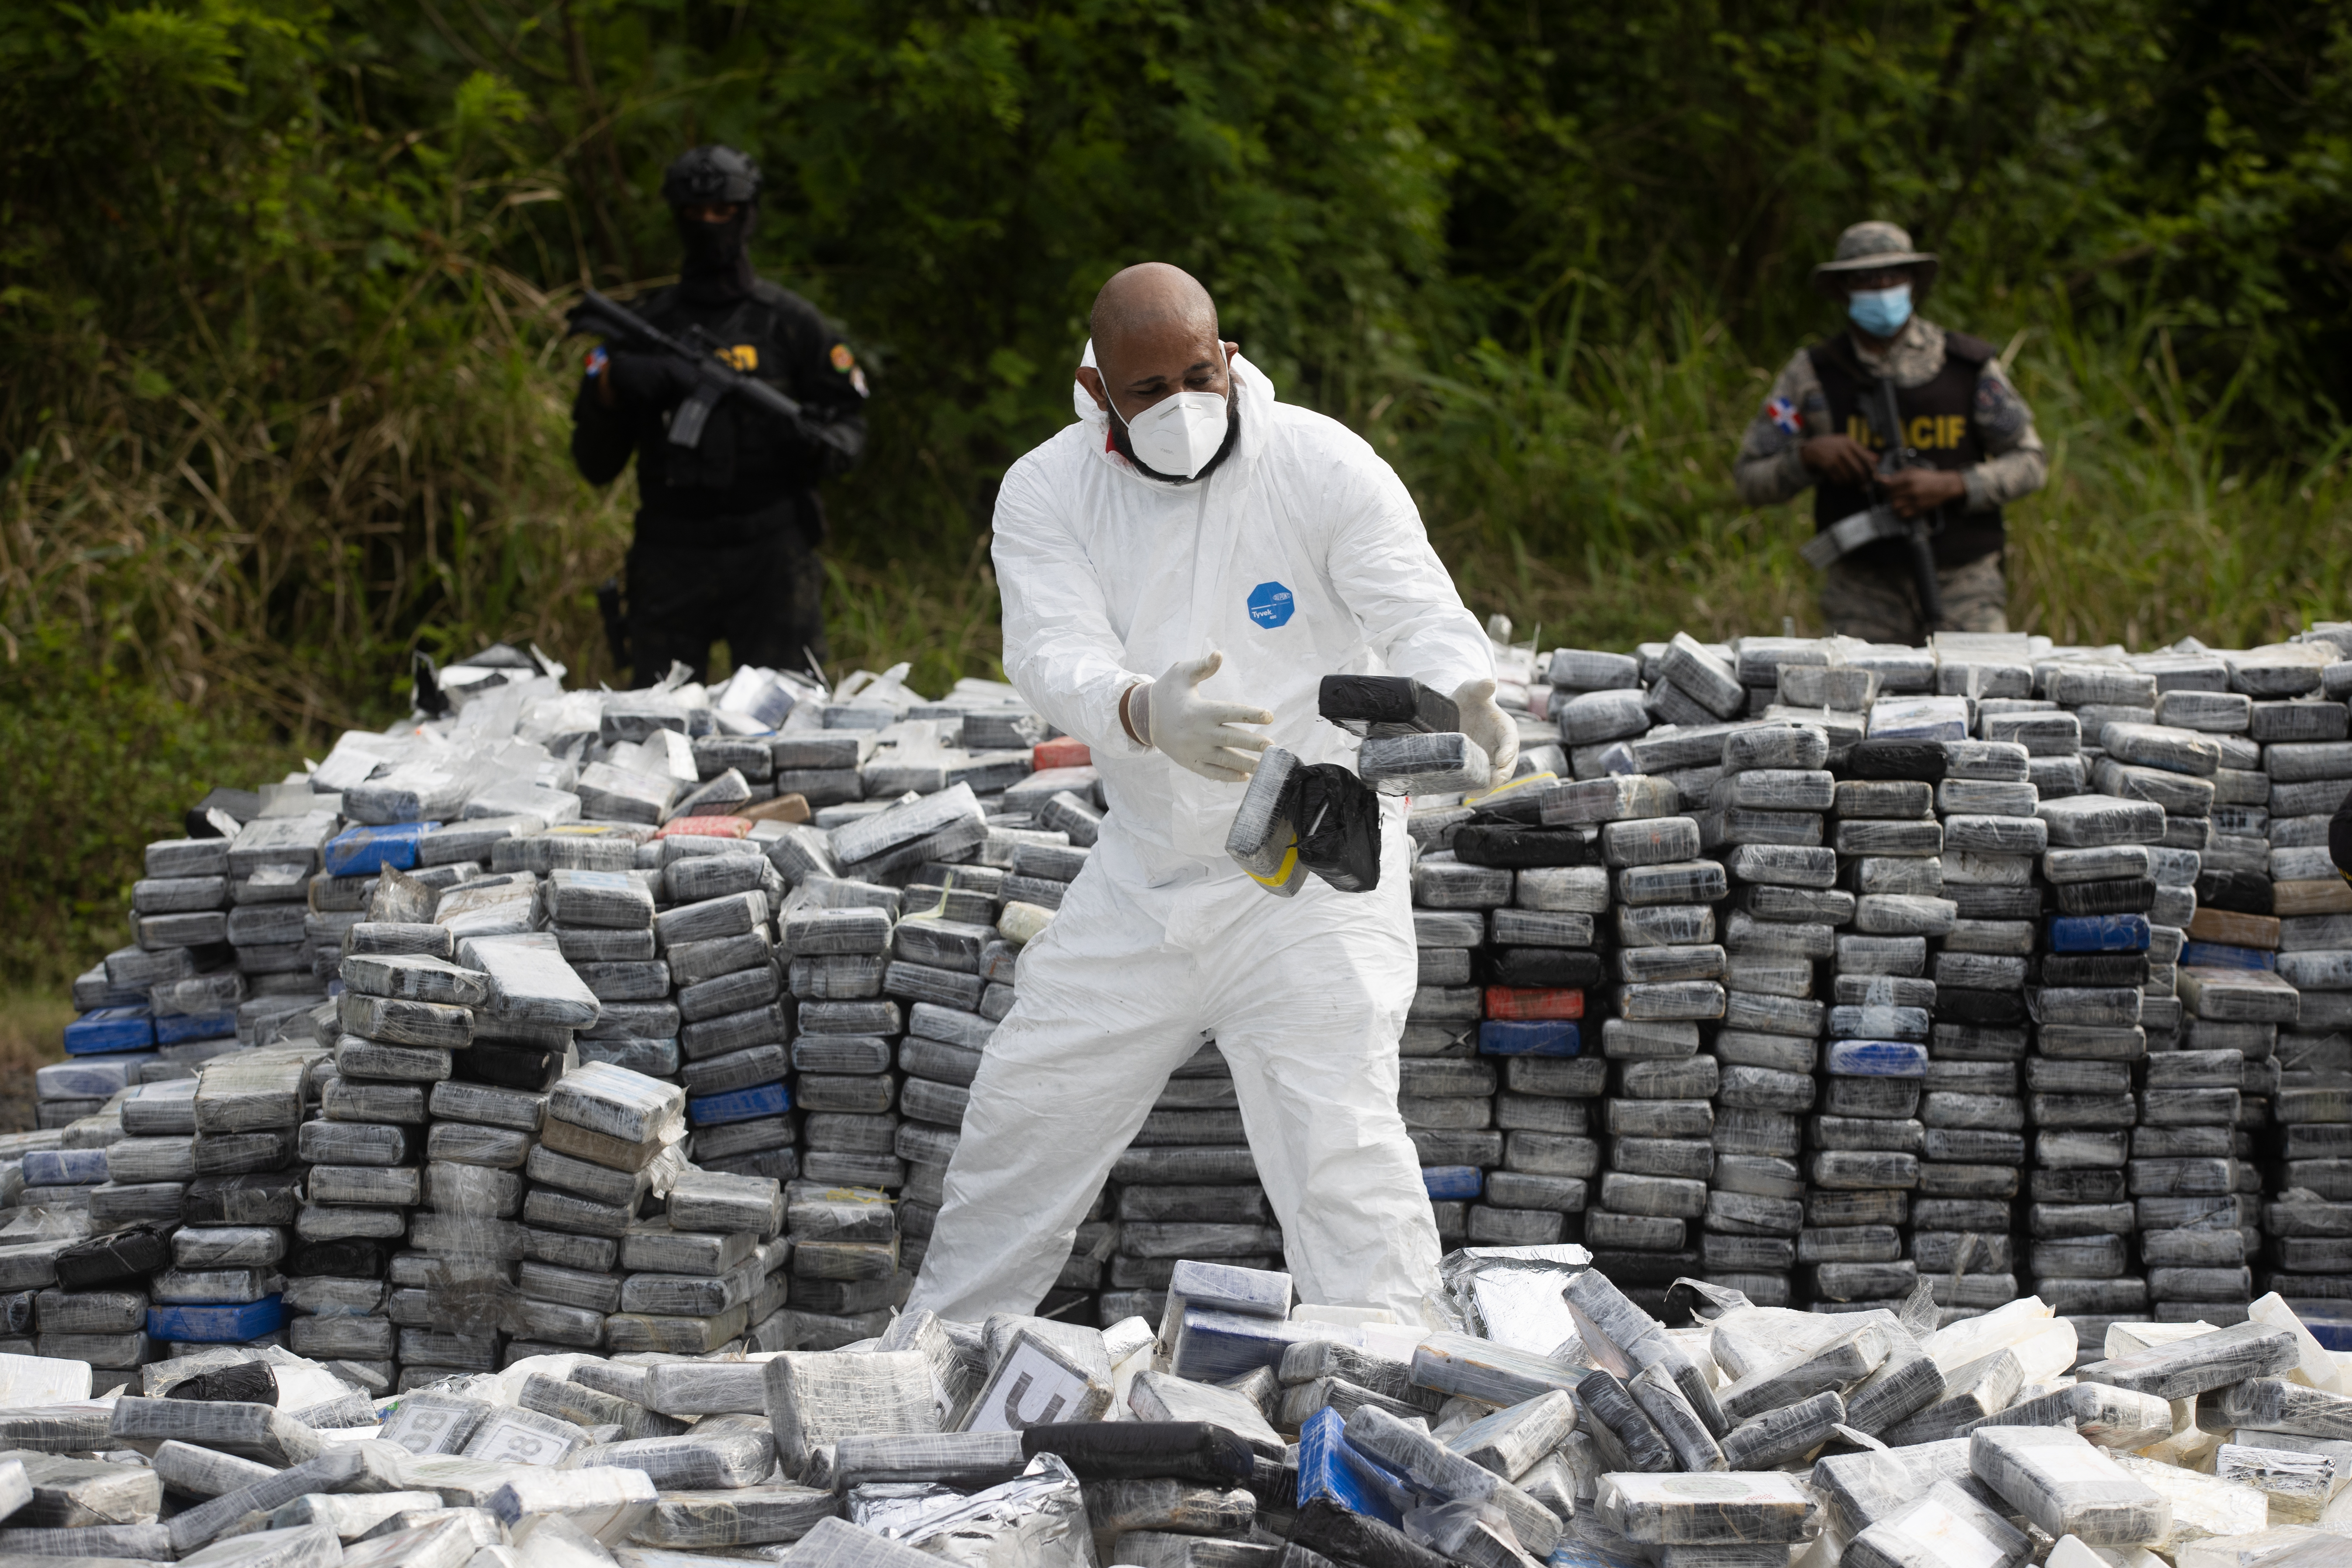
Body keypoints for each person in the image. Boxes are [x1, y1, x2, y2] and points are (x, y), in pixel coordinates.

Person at [905, 262, 1517, 1321]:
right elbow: (1051, 653)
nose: (1182, 408)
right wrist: (1144, 711)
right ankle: (932, 1366)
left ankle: (1385, 1402)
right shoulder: (1049, 489)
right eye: (1149, 391)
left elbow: (1414, 601)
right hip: (1142, 877)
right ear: (1098, 392)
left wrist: (1464, 695)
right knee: (1022, 1120)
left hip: (1311, 880)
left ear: (1228, 358)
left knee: (1344, 1155)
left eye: (1200, 375)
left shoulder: (1318, 461)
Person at [570, 145, 867, 686]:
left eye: (723, 212)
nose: (709, 226)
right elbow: (594, 464)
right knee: (659, 730)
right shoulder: (643, 328)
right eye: (695, 214)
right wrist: (613, 387)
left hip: (772, 556)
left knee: (791, 720)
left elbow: (849, 429)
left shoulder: (792, 325)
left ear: (747, 213)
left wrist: (812, 442)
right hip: (670, 552)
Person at [1735, 220, 2046, 644]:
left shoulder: (1966, 367)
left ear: (1913, 283)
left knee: (1987, 698)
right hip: (1862, 594)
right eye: (1865, 278)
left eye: (1892, 275)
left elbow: (2030, 461)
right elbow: (1750, 478)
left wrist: (1954, 485)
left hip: (1963, 585)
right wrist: (1807, 457)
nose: (1881, 287)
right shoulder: (1810, 375)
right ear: (1843, 289)